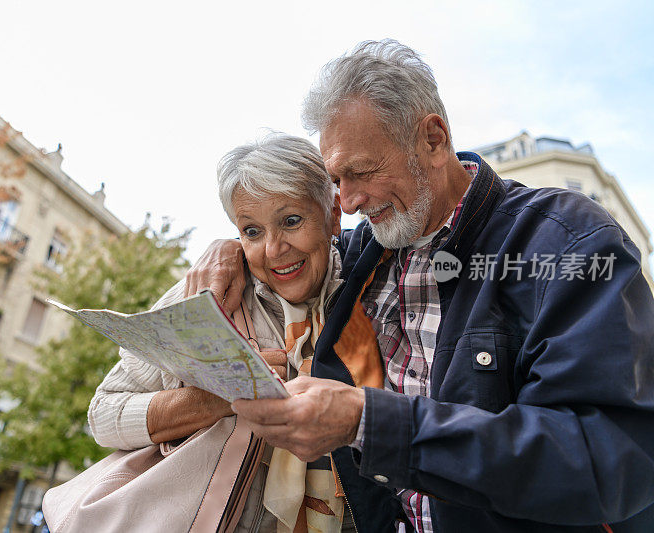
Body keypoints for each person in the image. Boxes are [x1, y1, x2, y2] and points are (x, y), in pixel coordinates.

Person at [187, 39, 654, 532]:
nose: (346, 202)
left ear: (433, 139)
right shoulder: (367, 250)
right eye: (336, 180)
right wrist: (230, 249)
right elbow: (291, 243)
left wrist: (368, 422)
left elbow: (613, 460)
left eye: (362, 172)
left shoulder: (565, 243)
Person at [89, 133, 385, 532]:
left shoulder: (379, 287)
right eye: (251, 231)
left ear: (333, 213)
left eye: (291, 221)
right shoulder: (209, 296)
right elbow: (103, 415)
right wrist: (221, 395)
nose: (273, 249)